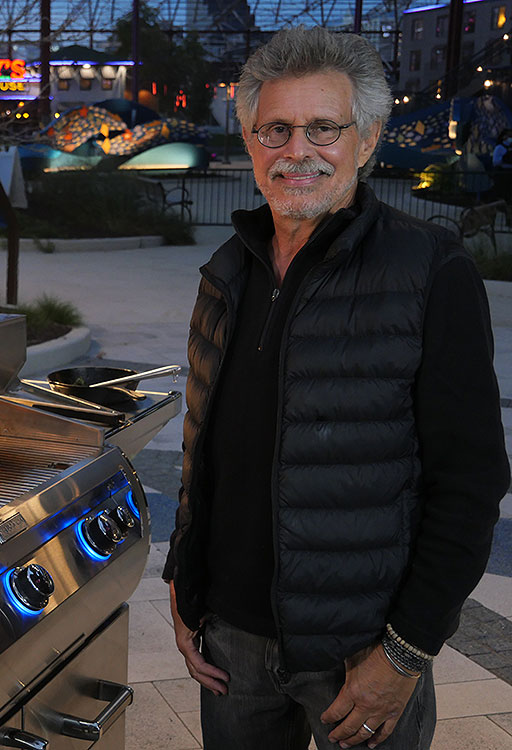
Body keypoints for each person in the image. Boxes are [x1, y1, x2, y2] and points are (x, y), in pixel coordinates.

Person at [163, 26, 509, 750]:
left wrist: (406, 651)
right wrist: (184, 585)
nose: (298, 151)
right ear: (251, 141)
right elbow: (207, 452)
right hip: (231, 644)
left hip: (359, 650)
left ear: (369, 137)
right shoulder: (229, 271)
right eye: (277, 130)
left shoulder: (429, 273)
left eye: (324, 127)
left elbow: (471, 483)